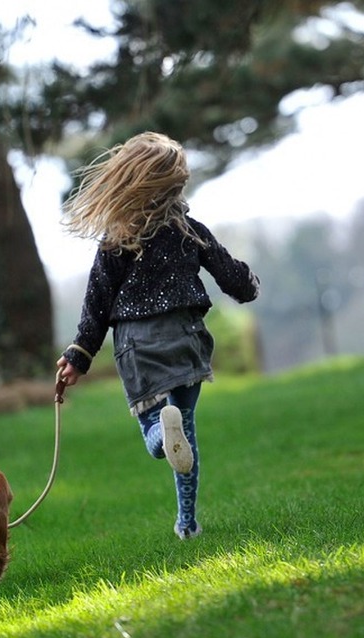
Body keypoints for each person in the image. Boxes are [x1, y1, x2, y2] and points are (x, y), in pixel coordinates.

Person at [56, 131, 260, 540]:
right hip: (185, 335)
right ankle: (186, 523)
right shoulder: (189, 229)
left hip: (138, 344)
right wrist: (248, 284)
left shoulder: (117, 238)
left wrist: (79, 355)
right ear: (175, 185)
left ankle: (156, 433)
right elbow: (230, 276)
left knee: (159, 429)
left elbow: (96, 301)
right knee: (185, 428)